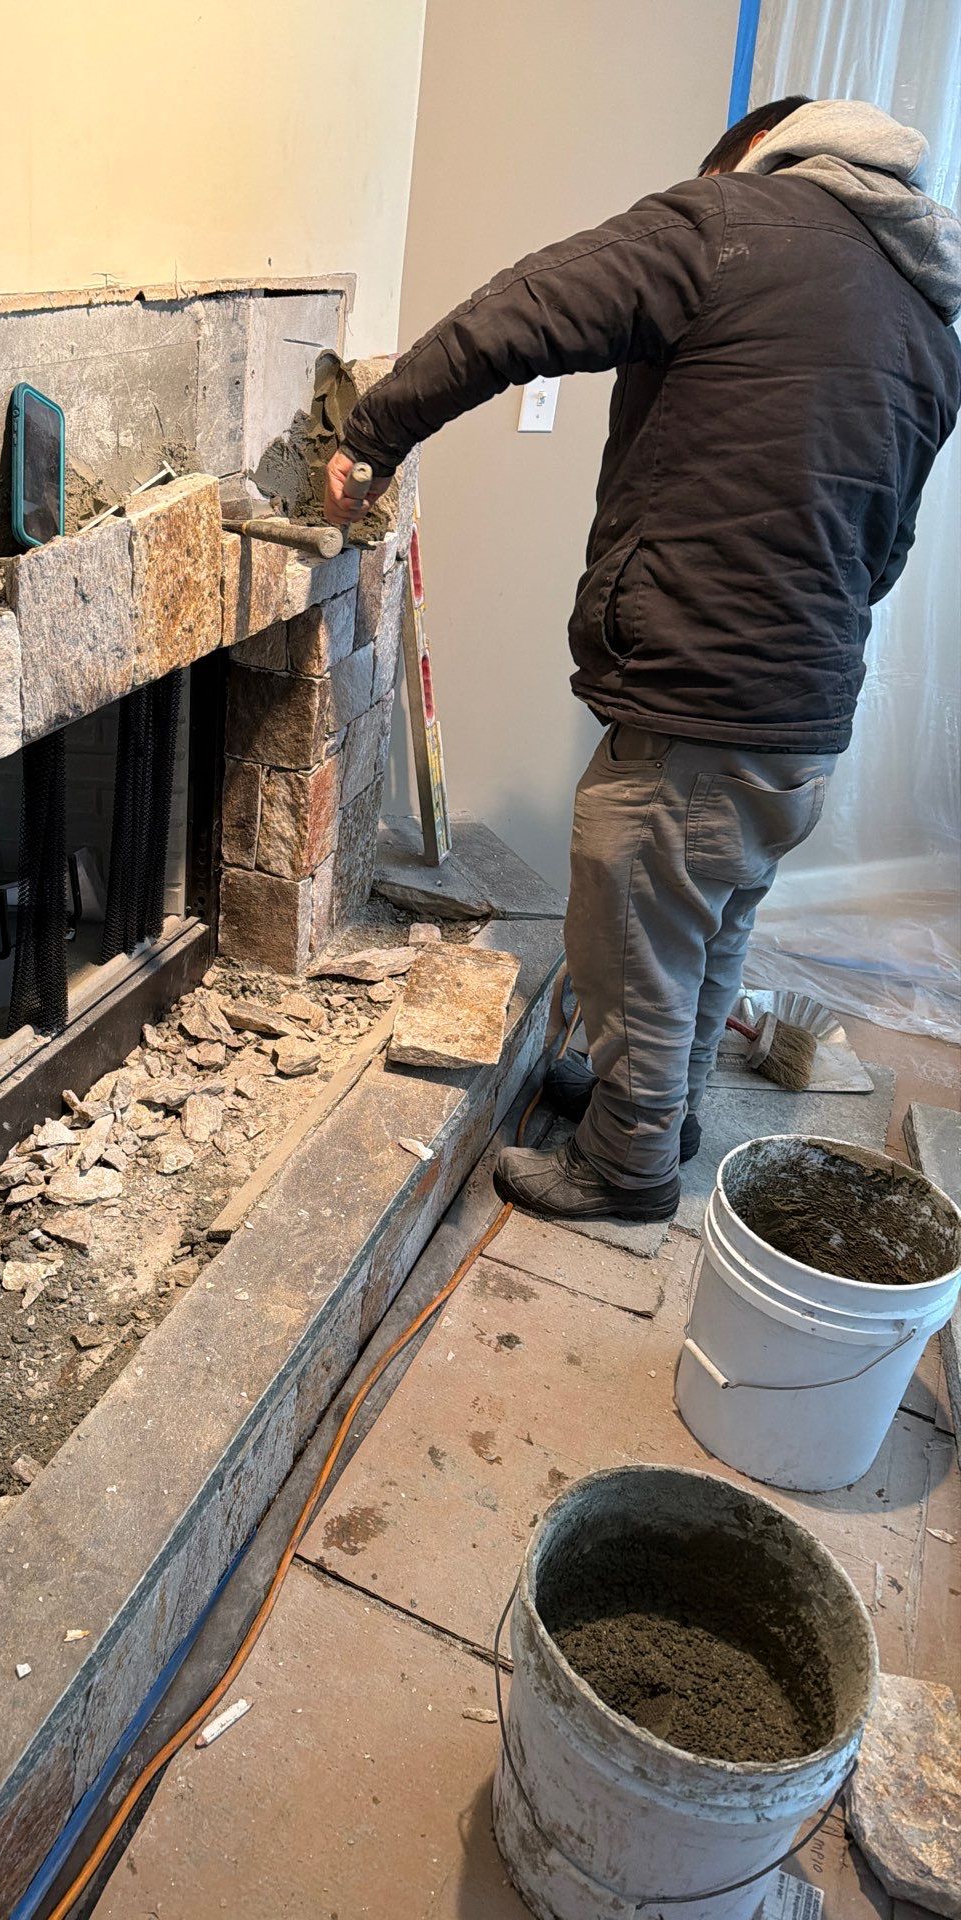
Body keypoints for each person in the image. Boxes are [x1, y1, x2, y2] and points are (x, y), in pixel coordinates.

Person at [325, 97, 961, 1224]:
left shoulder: (724, 226)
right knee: (712, 927)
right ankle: (660, 1112)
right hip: (807, 714)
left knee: (633, 951)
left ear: (752, 155)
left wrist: (373, 432)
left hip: (703, 702)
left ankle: (623, 1167)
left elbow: (523, 310)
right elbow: (889, 542)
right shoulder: (923, 321)